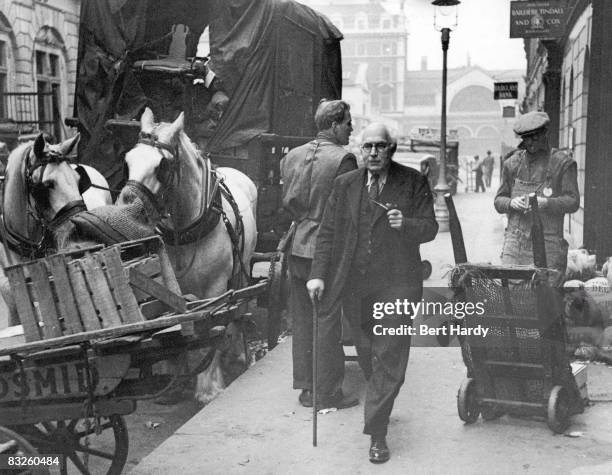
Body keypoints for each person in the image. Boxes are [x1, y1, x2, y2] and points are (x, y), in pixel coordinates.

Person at [307, 123, 438, 464]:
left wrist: (405, 224)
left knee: (389, 354)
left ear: (392, 149)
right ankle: (381, 398)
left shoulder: (413, 182)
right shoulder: (345, 185)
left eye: (381, 146)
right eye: (368, 147)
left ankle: (377, 434)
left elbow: (431, 227)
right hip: (356, 286)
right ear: (360, 150)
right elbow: (327, 234)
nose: (374, 153)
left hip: (398, 284)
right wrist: (318, 276)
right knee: (367, 351)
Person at [280, 99, 358, 409]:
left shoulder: (292, 156)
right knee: (327, 319)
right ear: (335, 124)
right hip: (328, 249)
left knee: (302, 318)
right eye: (348, 122)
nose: (351, 128)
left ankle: (307, 387)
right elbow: (351, 215)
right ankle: (327, 392)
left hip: (297, 245)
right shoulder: (344, 160)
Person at [494, 111, 580, 273]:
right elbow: (499, 200)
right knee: (512, 288)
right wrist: (511, 203)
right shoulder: (512, 164)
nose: (531, 142)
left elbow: (573, 201)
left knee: (546, 293)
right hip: (516, 242)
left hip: (548, 243)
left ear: (545, 133)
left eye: (535, 137)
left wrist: (547, 203)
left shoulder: (562, 164)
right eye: (526, 138)